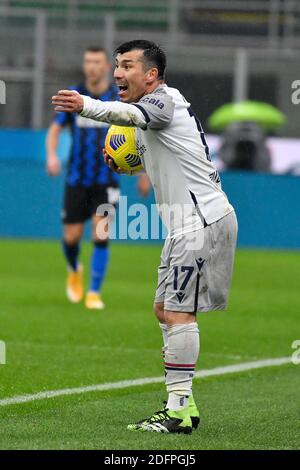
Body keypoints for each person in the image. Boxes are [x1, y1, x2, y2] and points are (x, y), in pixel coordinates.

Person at [52, 40, 237, 434]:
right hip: (183, 224)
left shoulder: (166, 101)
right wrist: (130, 162)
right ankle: (178, 405)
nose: (119, 72)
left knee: (177, 313)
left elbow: (126, 114)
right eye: (117, 65)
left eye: (128, 65)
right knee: (163, 310)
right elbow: (143, 137)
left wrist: (85, 105)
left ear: (151, 74)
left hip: (201, 222)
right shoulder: (153, 113)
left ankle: (180, 411)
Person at [47, 46, 150, 310]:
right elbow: (55, 130)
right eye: (87, 61)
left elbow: (142, 135)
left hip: (107, 180)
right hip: (76, 178)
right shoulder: (74, 94)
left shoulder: (118, 97)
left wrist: (144, 173)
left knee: (100, 233)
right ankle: (74, 268)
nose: (91, 66)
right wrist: (52, 156)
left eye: (97, 62)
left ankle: (93, 292)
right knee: (71, 237)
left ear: (106, 67)